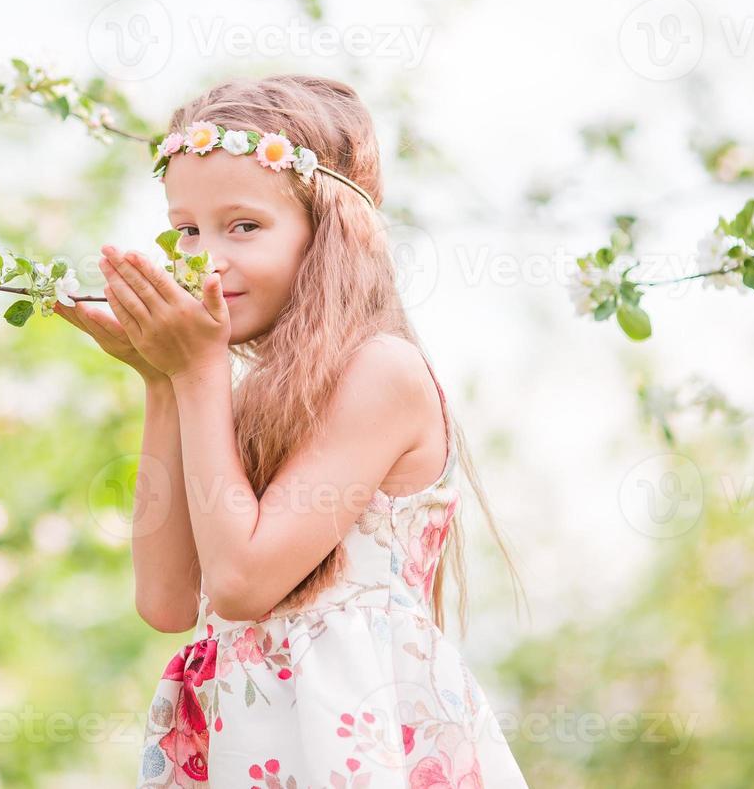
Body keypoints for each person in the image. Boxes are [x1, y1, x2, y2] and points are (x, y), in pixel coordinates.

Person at [54, 74, 530, 787]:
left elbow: (243, 582)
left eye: (243, 226)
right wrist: (161, 379)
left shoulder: (382, 372)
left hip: (350, 738)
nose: (205, 257)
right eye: (187, 229)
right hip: (250, 741)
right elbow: (167, 600)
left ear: (328, 233)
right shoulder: (232, 396)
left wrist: (195, 376)